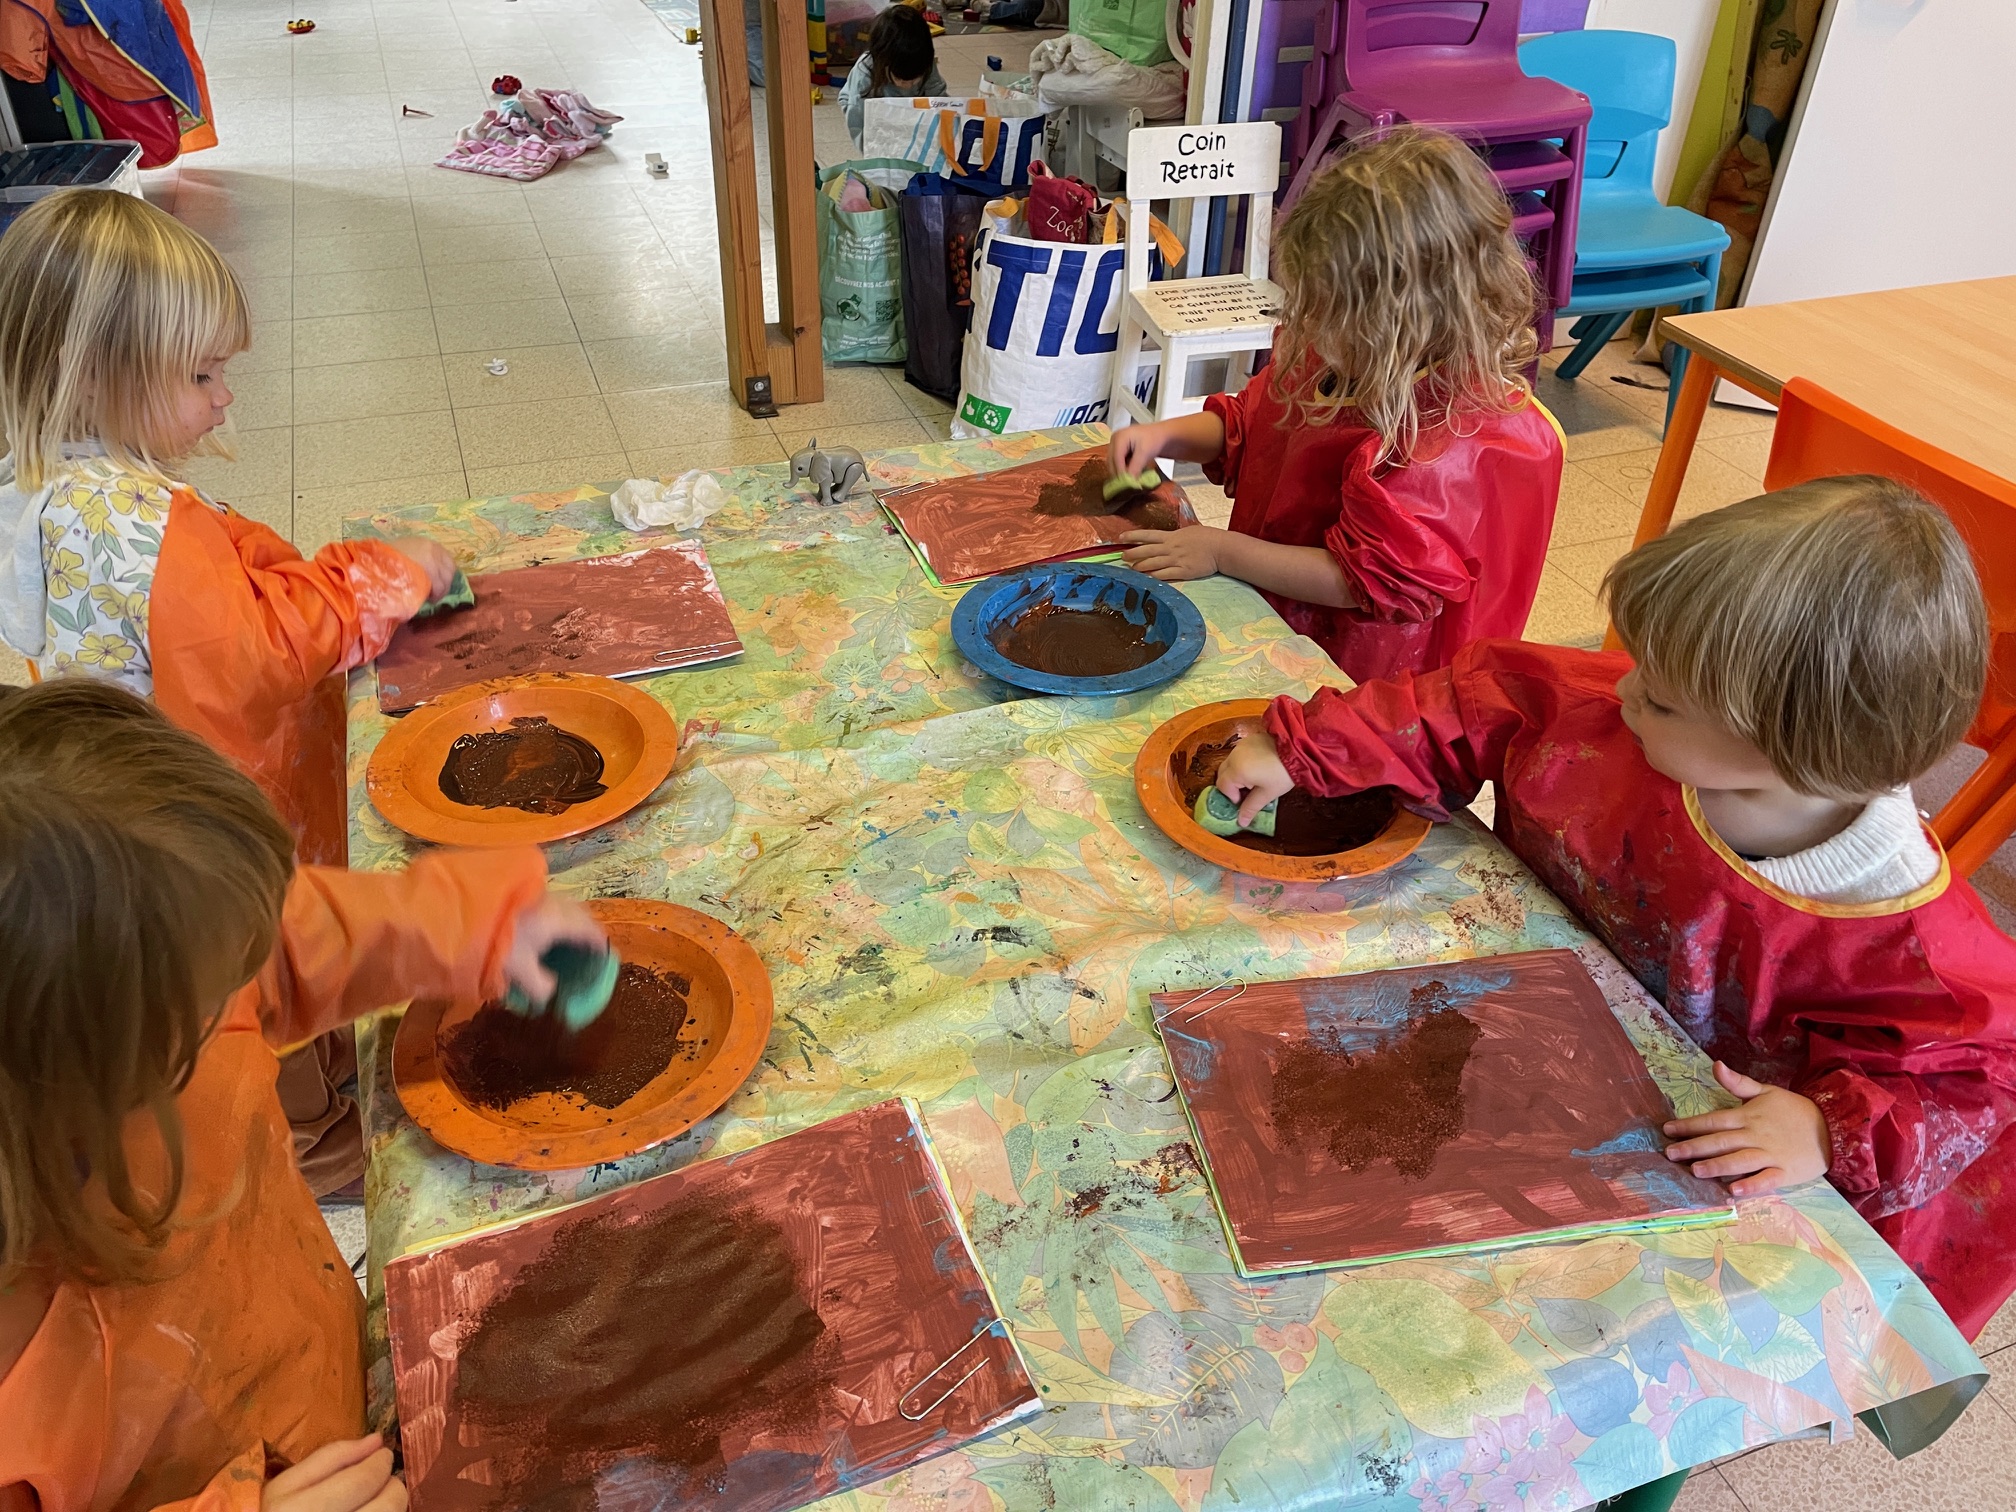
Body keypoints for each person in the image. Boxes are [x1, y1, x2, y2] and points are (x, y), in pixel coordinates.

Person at [1214, 478, 2016, 1338]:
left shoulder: (1912, 941)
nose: (1624, 692)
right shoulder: (1625, 716)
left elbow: (1977, 1080)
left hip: (1664, 1157)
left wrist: (1829, 1131)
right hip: (1508, 1036)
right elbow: (1467, 702)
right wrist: (1308, 749)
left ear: (1789, 752)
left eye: (1661, 698)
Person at [0, 677, 606, 1511]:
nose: (233, 998)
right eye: (195, 1008)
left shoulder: (152, 956)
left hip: (322, 1375)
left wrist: (472, 927)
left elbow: (287, 944)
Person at [0, 188, 458, 1194]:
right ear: (96, 374)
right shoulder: (135, 525)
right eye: (201, 375)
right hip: (200, 840)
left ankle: (317, 1093)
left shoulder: (50, 490)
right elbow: (258, 654)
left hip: (123, 826)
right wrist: (384, 578)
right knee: (253, 978)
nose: (224, 398)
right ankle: (320, 1147)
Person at [1111, 127, 1563, 686]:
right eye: (1308, 306)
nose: (1310, 330)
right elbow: (1257, 424)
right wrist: (1164, 437)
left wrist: (1223, 551)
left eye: (1329, 314)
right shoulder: (1334, 350)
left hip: (1363, 669)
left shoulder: (1440, 443)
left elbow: (1359, 581)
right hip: (1280, 614)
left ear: (1405, 321)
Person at [839, 2, 947, 150]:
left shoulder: (923, 62)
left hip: (907, 106)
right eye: (901, 80)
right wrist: (870, 152)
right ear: (883, 63)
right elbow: (857, 122)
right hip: (865, 106)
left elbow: (939, 98)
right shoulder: (864, 74)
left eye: (915, 79)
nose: (908, 85)